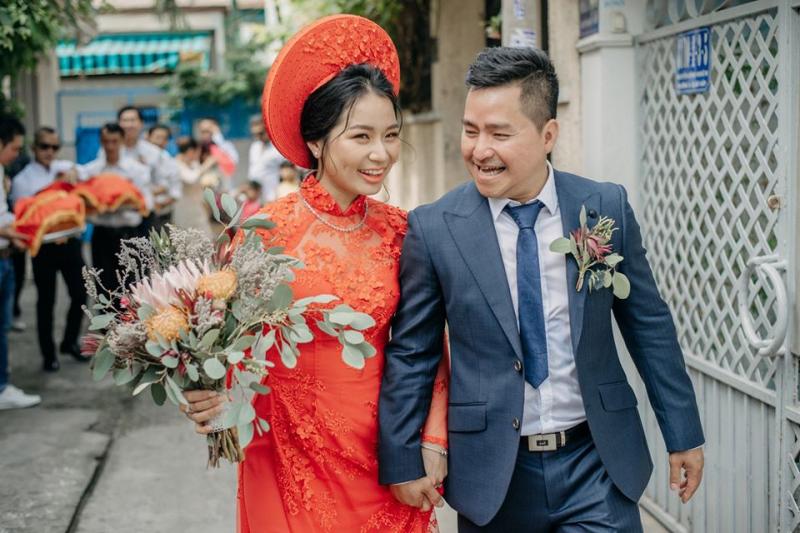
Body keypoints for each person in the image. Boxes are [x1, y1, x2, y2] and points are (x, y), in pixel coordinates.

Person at [378, 46, 706, 532]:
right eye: (471, 130)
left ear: (548, 134)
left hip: (597, 462)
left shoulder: (603, 207)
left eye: (499, 134)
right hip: (493, 473)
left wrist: (683, 432)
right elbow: (413, 352)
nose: (479, 150)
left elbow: (648, 326)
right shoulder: (435, 228)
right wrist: (402, 458)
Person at [181, 15, 449, 532]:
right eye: (361, 136)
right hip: (285, 453)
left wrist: (432, 441)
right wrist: (207, 394)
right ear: (318, 142)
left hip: (386, 455)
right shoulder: (263, 234)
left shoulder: (404, 232)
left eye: (391, 136)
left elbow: (426, 346)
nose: (380, 154)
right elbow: (219, 342)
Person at [10, 127, 88, 372]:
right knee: (46, 302)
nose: (50, 152)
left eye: (55, 147)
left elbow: (87, 172)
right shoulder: (23, 179)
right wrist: (56, 186)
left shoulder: (63, 167)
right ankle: (48, 355)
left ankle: (69, 341)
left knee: (81, 294)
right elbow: (24, 213)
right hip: (44, 249)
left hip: (70, 243)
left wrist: (75, 172)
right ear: (34, 148)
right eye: (45, 146)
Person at [80, 123, 152, 293]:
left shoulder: (137, 170)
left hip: (129, 234)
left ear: (122, 141)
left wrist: (118, 204)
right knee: (104, 288)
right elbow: (82, 203)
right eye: (106, 141)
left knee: (135, 287)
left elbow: (147, 203)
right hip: (102, 235)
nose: (110, 146)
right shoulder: (91, 171)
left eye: (114, 141)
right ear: (101, 142)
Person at [0, 115, 41, 408]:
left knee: (3, 328)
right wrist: (18, 232)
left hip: (5, 257)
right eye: (14, 148)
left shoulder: (3, 172)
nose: (17, 154)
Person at [117, 106, 180, 232]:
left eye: (132, 120)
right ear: (119, 124)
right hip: (117, 217)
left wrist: (138, 195)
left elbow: (164, 185)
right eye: (125, 120)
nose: (128, 125)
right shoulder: (110, 151)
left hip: (145, 216)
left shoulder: (153, 153)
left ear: (141, 123)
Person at [172, 136, 215, 236]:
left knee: (205, 235)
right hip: (184, 208)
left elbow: (199, 179)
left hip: (198, 207)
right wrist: (207, 164)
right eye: (198, 151)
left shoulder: (193, 163)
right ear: (191, 151)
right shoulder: (176, 164)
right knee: (187, 237)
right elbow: (191, 179)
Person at [247, 115, 283, 202]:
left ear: (267, 129)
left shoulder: (278, 148)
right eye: (255, 134)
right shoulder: (254, 146)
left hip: (273, 197)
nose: (258, 137)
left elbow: (287, 172)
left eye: (261, 133)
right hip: (255, 197)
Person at [197, 117, 238, 186]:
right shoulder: (198, 148)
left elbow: (231, 166)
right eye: (202, 131)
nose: (204, 134)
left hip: (224, 187)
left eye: (207, 130)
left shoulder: (225, 146)